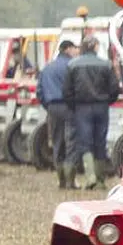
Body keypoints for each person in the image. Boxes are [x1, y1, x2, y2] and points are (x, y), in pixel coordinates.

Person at [62, 36, 120, 189]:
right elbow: (114, 88)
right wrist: (107, 101)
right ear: (94, 47)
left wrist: (74, 106)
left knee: (85, 143)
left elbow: (66, 91)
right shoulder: (106, 65)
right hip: (101, 107)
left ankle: (90, 177)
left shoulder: (73, 64)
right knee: (100, 142)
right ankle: (100, 181)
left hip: (82, 108)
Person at [37, 40, 78, 188]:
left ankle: (61, 180)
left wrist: (48, 106)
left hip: (53, 108)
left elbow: (39, 92)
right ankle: (71, 181)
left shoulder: (47, 68)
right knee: (71, 143)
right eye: (74, 48)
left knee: (57, 142)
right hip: (70, 107)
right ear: (67, 49)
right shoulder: (72, 66)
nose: (76, 51)